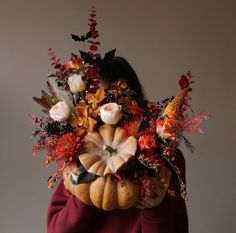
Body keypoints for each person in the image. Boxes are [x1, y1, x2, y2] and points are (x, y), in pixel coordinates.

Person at [47, 57, 189, 233]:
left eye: (120, 106)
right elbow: (56, 230)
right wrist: (85, 192)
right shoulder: (80, 156)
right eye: (100, 107)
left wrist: (156, 209)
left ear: (136, 107)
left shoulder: (165, 157)